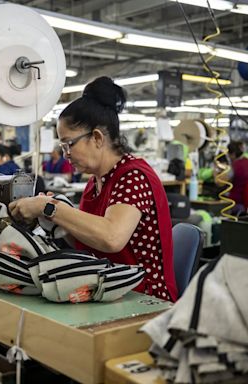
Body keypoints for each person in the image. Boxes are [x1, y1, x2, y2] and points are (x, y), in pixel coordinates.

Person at [9, 77, 177, 302]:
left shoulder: (133, 176)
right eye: (62, 146)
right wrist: (59, 225)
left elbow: (111, 237)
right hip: (108, 290)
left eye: (69, 144)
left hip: (145, 299)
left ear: (97, 138)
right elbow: (89, 242)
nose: (66, 154)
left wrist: (49, 207)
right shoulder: (94, 183)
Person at [216, 141, 248, 213]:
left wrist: (215, 172)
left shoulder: (236, 166)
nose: (229, 157)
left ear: (233, 154)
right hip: (247, 202)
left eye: (229, 155)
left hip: (235, 203)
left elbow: (219, 183)